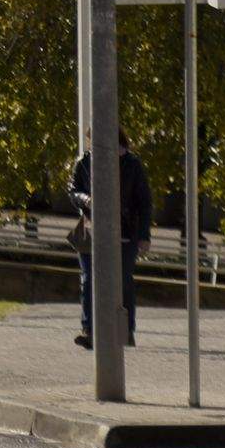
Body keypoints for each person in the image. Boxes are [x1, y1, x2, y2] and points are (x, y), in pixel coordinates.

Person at [71, 136, 154, 350]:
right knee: (88, 279)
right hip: (92, 229)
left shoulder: (132, 164)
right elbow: (73, 190)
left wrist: (144, 236)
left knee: (123, 280)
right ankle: (89, 329)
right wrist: (85, 199)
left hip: (124, 232)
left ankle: (126, 330)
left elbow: (144, 203)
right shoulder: (85, 161)